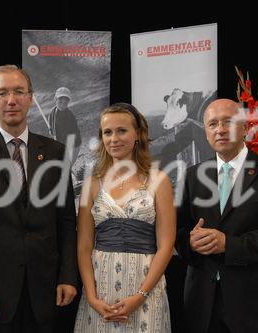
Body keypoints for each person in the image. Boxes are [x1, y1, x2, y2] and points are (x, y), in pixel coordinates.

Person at [0, 65, 78, 333]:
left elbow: (66, 221)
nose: (12, 100)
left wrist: (68, 276)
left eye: (19, 91)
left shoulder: (55, 152)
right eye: (2, 93)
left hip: (45, 293)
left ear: (31, 98)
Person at [176, 98, 258, 333]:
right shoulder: (193, 176)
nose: (220, 129)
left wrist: (228, 245)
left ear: (245, 128)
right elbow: (177, 232)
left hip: (252, 305)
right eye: (212, 124)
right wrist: (189, 242)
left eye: (228, 122)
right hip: (201, 304)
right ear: (206, 132)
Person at [74, 103, 176, 332]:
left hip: (145, 288)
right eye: (107, 132)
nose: (114, 138)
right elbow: (84, 246)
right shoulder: (91, 184)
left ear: (138, 134)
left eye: (122, 130)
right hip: (100, 290)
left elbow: (166, 245)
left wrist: (140, 296)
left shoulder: (159, 181)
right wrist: (91, 296)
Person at [48, 87, 81, 163]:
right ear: (55, 100)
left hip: (74, 144)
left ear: (68, 102)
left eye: (65, 103)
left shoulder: (69, 117)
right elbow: (51, 128)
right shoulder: (52, 113)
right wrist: (51, 131)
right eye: (60, 102)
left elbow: (71, 136)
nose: (63, 105)